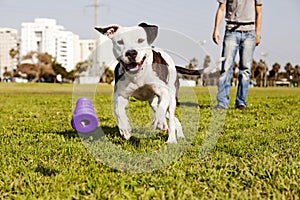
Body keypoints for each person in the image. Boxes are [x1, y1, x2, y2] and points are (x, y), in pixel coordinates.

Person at [212, 0, 263, 110]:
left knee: (245, 69)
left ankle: (241, 102)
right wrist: (216, 29)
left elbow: (259, 12)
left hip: (249, 32)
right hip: (231, 31)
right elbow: (221, 8)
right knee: (226, 68)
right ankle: (222, 103)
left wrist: (257, 33)